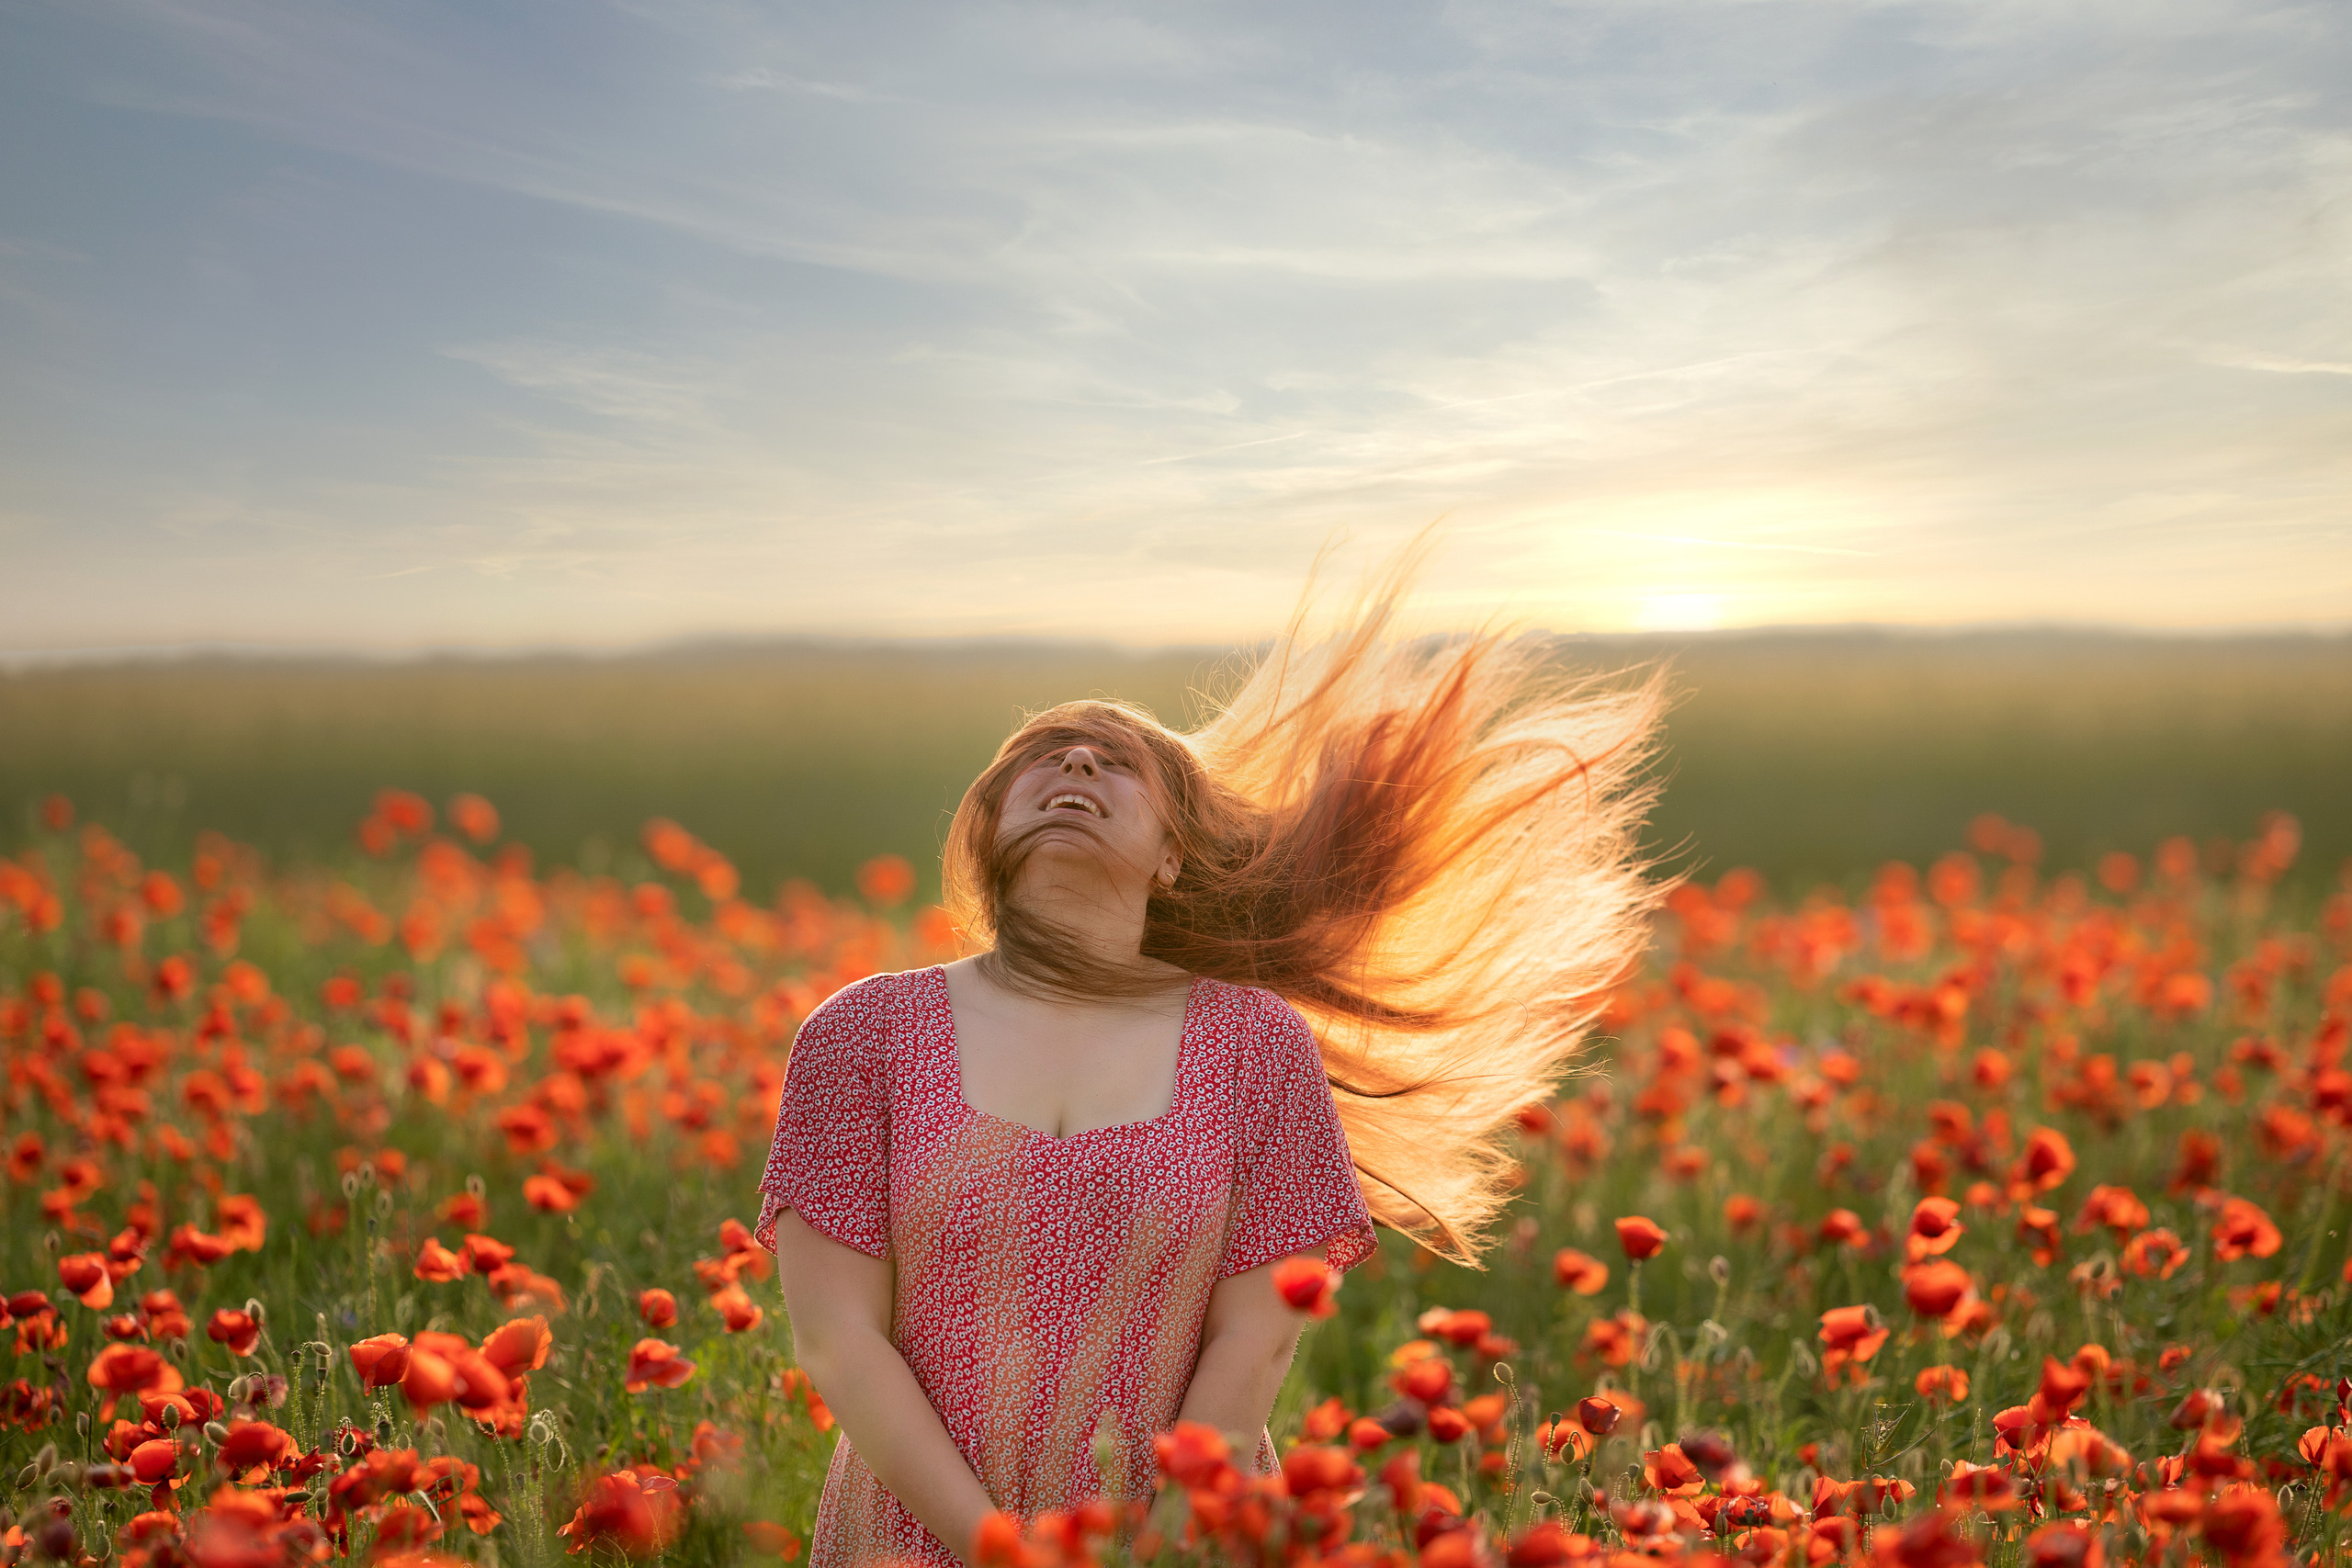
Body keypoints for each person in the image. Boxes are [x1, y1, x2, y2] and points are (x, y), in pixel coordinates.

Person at [755, 562, 1662, 1567]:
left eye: (1118, 763)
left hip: (1180, 1536)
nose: (1078, 762)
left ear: (1172, 856)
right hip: (909, 1532)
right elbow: (838, 1340)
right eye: (1042, 755)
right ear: (986, 826)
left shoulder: (1254, 1046)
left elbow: (1254, 1341)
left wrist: (1163, 1544)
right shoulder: (864, 1033)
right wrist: (997, 1549)